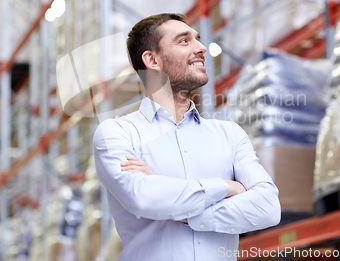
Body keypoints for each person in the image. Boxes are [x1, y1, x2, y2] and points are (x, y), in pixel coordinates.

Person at [93, 13, 281, 261]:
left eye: (198, 39)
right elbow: (143, 197)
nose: (201, 48)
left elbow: (267, 208)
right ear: (152, 60)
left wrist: (185, 213)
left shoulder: (230, 134)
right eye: (184, 41)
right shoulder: (117, 133)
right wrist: (227, 186)